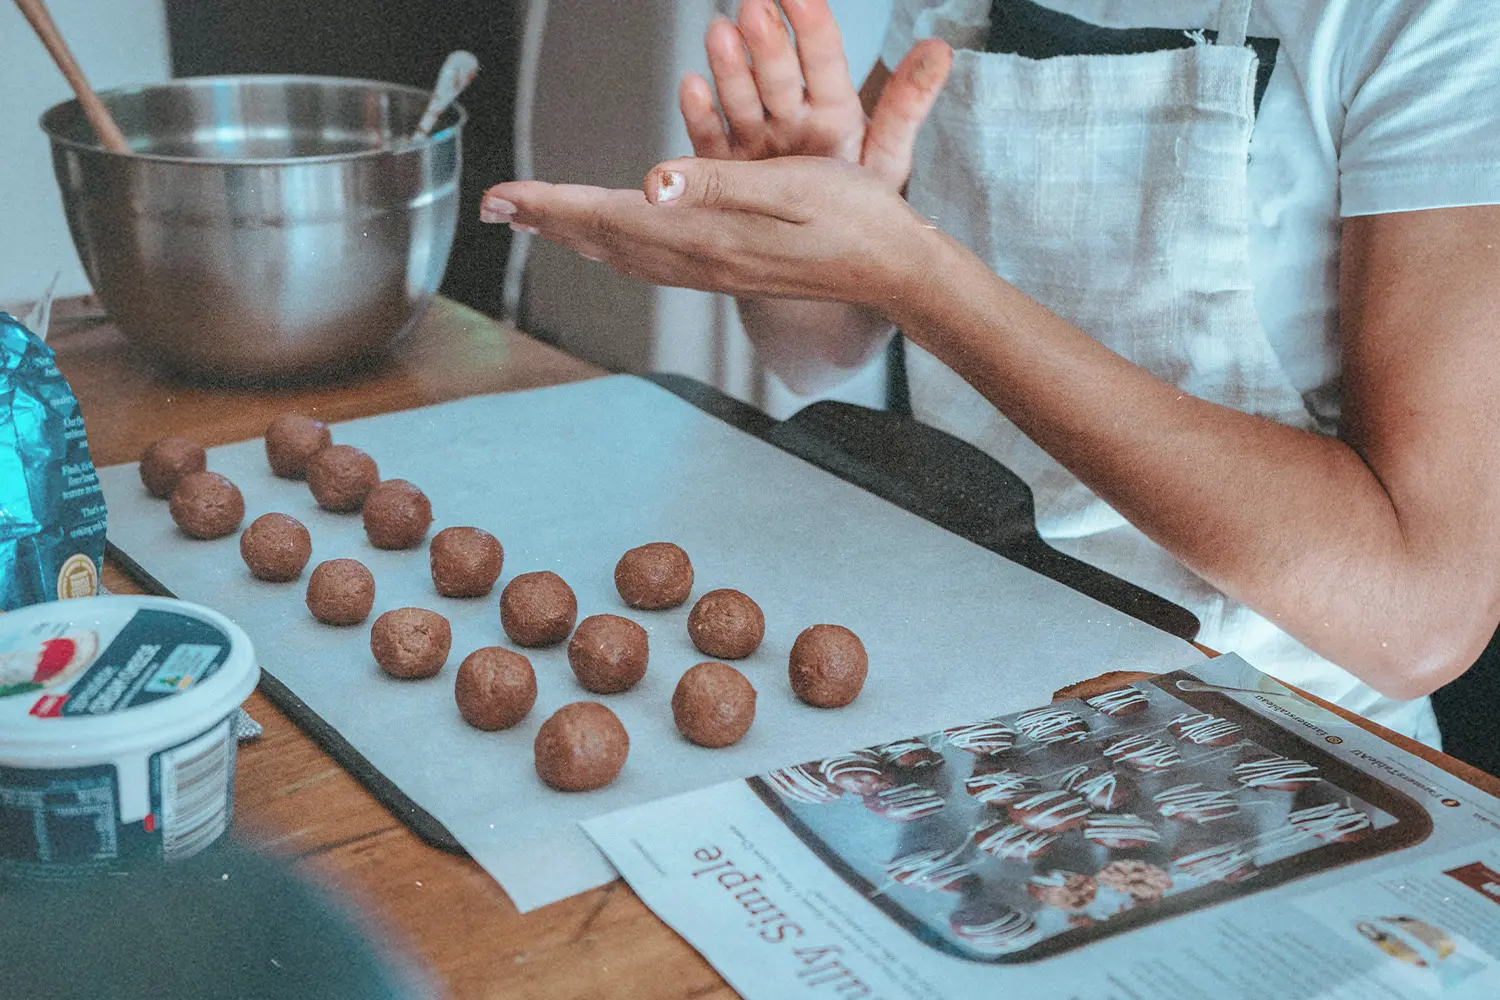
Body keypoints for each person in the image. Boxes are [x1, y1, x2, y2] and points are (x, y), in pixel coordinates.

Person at [481, 0, 1500, 746]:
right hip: (954, 686)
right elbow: (820, 346)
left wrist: (921, 275)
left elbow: (1418, 609)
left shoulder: (1433, 25)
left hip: (1286, 739)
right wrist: (796, 226)